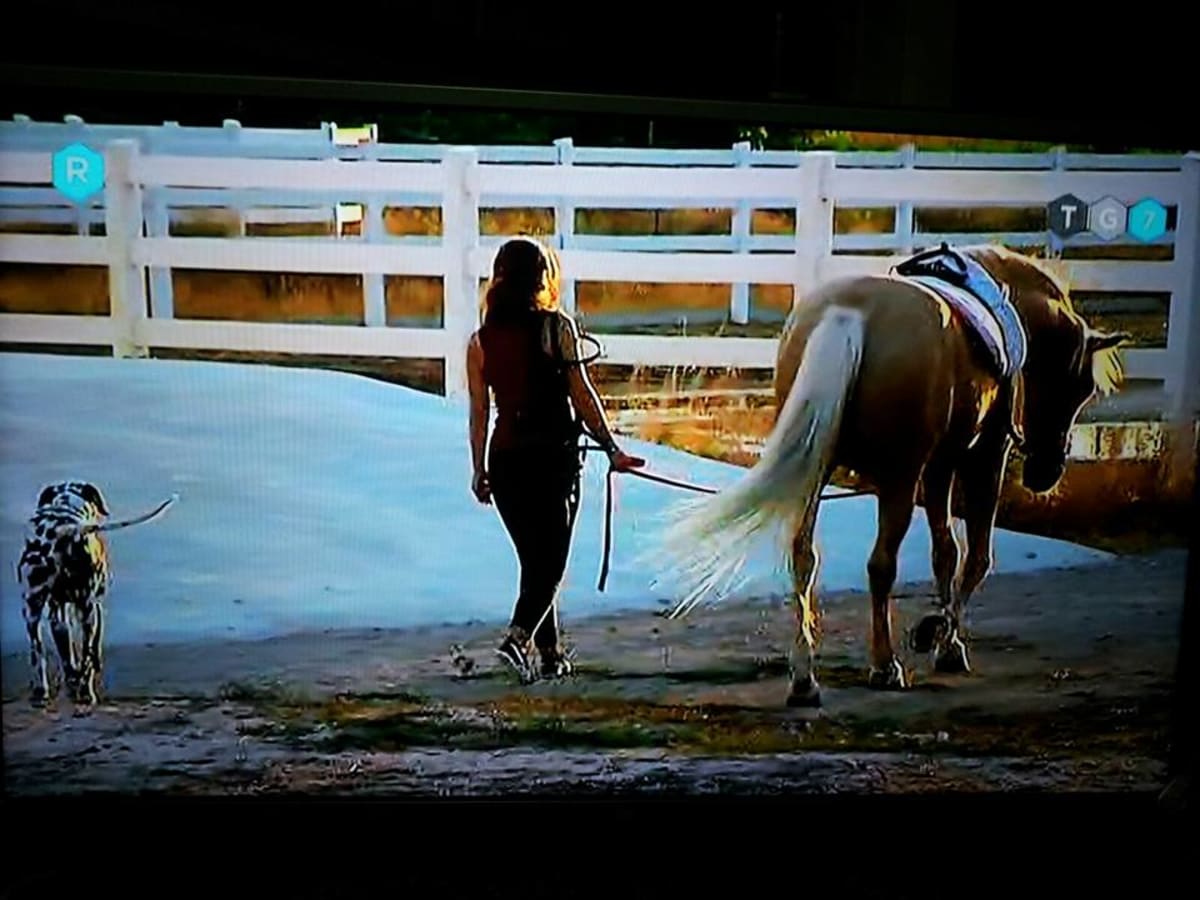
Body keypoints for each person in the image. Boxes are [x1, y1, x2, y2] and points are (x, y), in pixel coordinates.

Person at [467, 235, 645, 683]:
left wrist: (479, 468)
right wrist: (611, 447)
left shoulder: (479, 342)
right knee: (550, 564)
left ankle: (549, 656)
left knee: (535, 562)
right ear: (540, 279)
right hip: (552, 461)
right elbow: (581, 394)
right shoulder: (555, 327)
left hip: (506, 461)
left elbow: (479, 411)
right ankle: (516, 640)